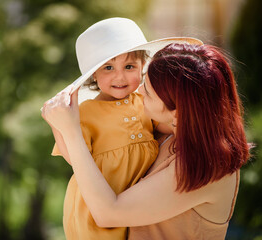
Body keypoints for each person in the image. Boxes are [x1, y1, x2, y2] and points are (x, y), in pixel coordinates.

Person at [42, 43, 250, 239]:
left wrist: (71, 131)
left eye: (148, 93)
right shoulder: (168, 131)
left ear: (178, 113)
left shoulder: (208, 166)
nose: (139, 91)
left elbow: (109, 213)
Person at [47, 18, 202, 239]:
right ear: (94, 74)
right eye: (108, 68)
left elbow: (169, 126)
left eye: (129, 67)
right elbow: (74, 158)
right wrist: (59, 125)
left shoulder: (144, 101)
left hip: (130, 204)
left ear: (142, 68)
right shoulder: (87, 112)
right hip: (95, 206)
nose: (120, 77)